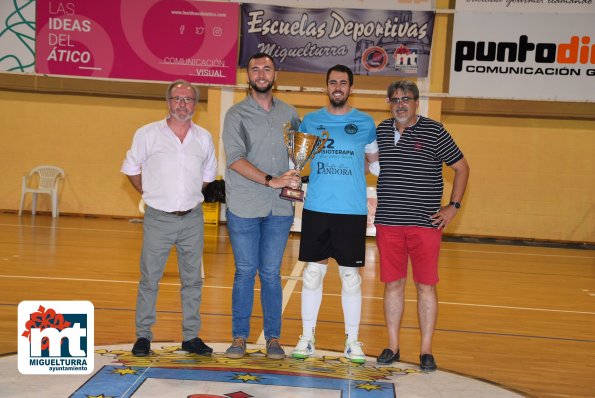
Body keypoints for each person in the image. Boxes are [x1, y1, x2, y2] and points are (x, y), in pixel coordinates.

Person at [374, 80, 470, 371]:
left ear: (416, 102)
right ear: (389, 103)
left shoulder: (434, 130)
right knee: (393, 285)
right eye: (394, 99)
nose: (400, 104)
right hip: (388, 223)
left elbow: (462, 168)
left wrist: (453, 207)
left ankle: (426, 350)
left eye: (406, 99)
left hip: (424, 225)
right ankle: (392, 345)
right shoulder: (379, 130)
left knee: (426, 286)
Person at [121, 79, 217, 357]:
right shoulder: (147, 134)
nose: (182, 104)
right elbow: (131, 168)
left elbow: (208, 176)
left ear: (195, 105)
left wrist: (185, 197)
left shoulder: (204, 138)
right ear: (168, 102)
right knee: (149, 278)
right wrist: (150, 193)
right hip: (158, 219)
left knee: (193, 281)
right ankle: (143, 336)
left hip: (192, 219)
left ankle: (191, 337)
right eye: (177, 98)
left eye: (188, 99)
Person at [291, 65, 379, 364]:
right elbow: (298, 161)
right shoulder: (311, 121)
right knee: (313, 274)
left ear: (351, 88)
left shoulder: (366, 123)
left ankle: (352, 341)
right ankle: (307, 336)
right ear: (326, 87)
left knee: (350, 278)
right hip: (317, 207)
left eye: (343, 82)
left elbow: (374, 163)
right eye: (332, 82)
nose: (338, 87)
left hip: (351, 210)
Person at [222, 52, 301, 359]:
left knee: (270, 273)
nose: (261, 73)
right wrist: (272, 180)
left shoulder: (291, 113)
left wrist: (294, 178)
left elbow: (298, 156)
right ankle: (239, 338)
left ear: (274, 74)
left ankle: (273, 339)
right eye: (255, 69)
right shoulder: (236, 115)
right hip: (244, 204)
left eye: (266, 68)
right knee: (244, 272)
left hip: (280, 209)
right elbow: (235, 160)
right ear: (249, 77)